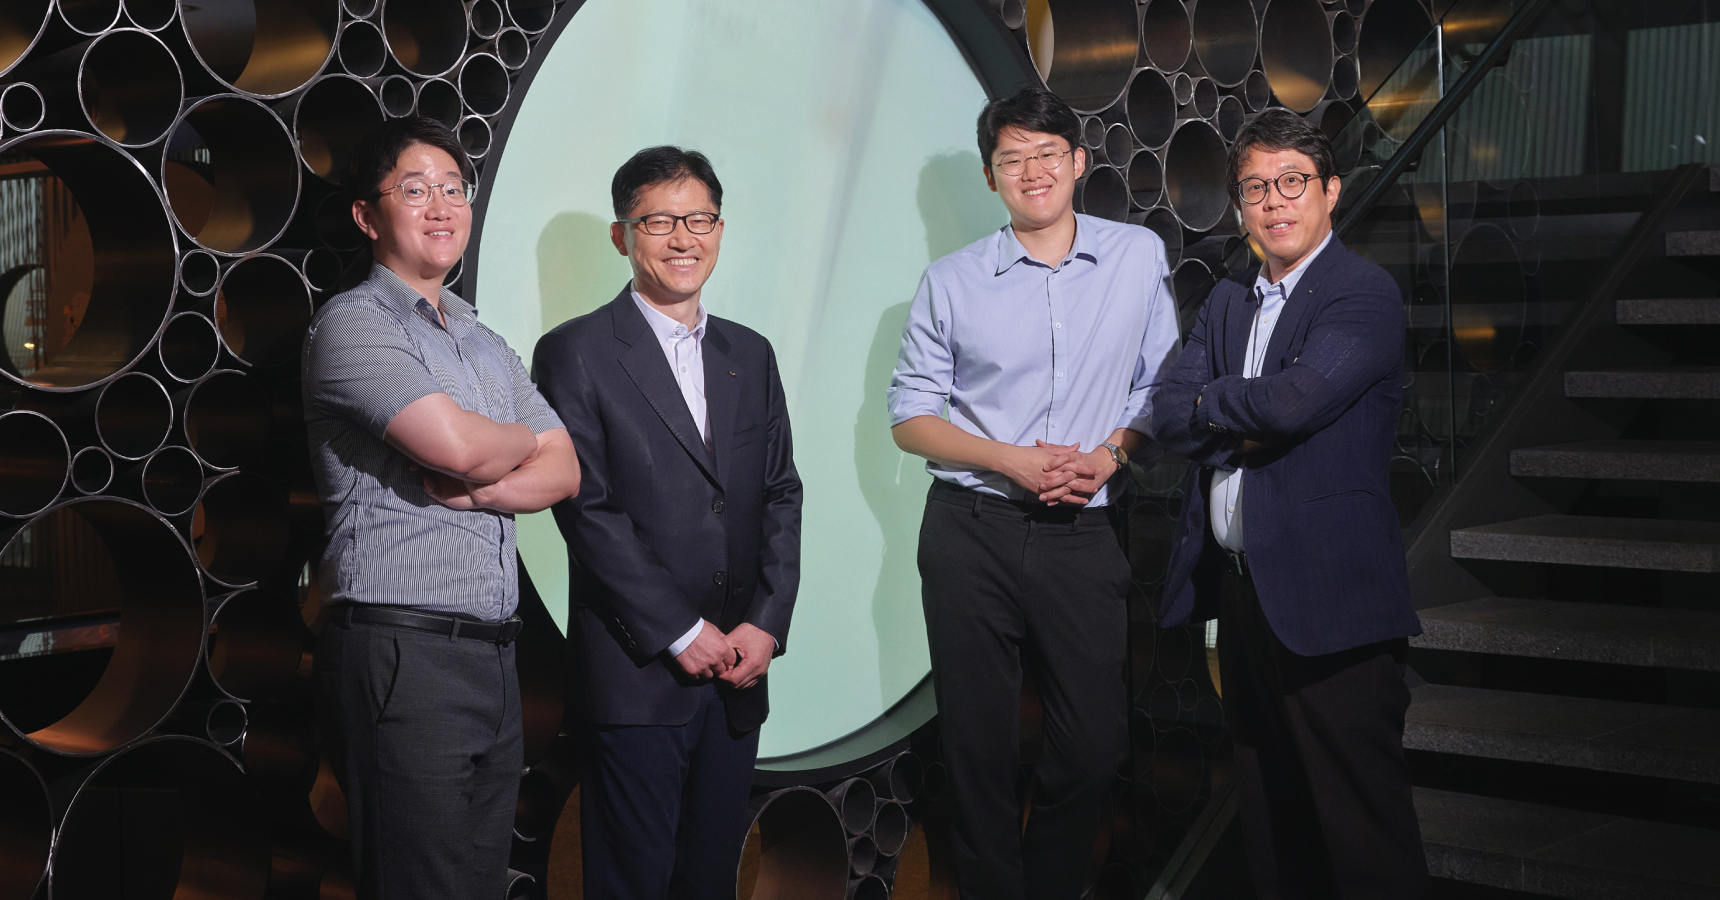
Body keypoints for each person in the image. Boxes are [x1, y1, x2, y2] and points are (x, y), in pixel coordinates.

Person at [886, 87, 1182, 900]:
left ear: (1078, 162)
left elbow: (1161, 383)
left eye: (1048, 153)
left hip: (1081, 532)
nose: (1033, 171)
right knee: (976, 747)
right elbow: (909, 417)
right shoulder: (951, 280)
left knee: (1092, 745)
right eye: (1012, 159)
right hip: (970, 528)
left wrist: (1112, 456)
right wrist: (1007, 459)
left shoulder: (1135, 256)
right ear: (991, 178)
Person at [1150, 108, 1429, 898]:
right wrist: (1228, 412)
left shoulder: (1362, 293)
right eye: (1255, 188)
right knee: (1271, 823)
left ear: (1331, 190)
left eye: (1293, 182)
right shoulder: (1228, 300)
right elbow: (1166, 411)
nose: (1274, 201)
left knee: (1362, 835)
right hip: (1243, 598)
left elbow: (1291, 403)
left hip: (1332, 599)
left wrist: (1214, 404)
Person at [302, 116, 581, 900]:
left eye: (454, 189)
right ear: (368, 216)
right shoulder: (354, 323)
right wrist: (510, 443)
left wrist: (489, 481)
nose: (441, 207)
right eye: (416, 190)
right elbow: (455, 447)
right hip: (404, 650)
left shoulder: (482, 339)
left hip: (493, 656)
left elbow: (565, 468)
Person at [532, 146, 803, 900]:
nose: (683, 238)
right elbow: (586, 509)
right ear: (621, 235)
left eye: (699, 219)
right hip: (638, 672)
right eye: (658, 221)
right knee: (632, 883)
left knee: (711, 881)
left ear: (720, 229)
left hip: (738, 672)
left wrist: (766, 624)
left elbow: (781, 492)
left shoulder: (751, 352)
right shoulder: (575, 352)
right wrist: (681, 631)